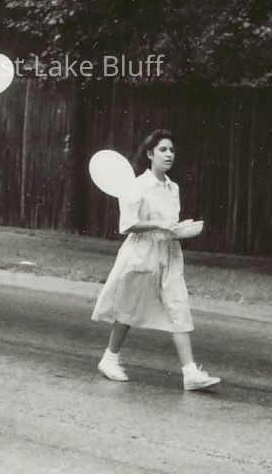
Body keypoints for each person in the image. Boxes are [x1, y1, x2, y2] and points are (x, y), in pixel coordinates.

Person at [91, 129, 220, 391]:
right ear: (150, 154)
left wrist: (180, 228)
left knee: (178, 307)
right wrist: (159, 225)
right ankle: (109, 358)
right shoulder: (136, 186)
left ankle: (190, 373)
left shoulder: (173, 188)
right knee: (129, 308)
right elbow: (127, 225)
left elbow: (170, 223)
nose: (169, 154)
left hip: (169, 254)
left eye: (172, 150)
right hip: (141, 254)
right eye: (163, 150)